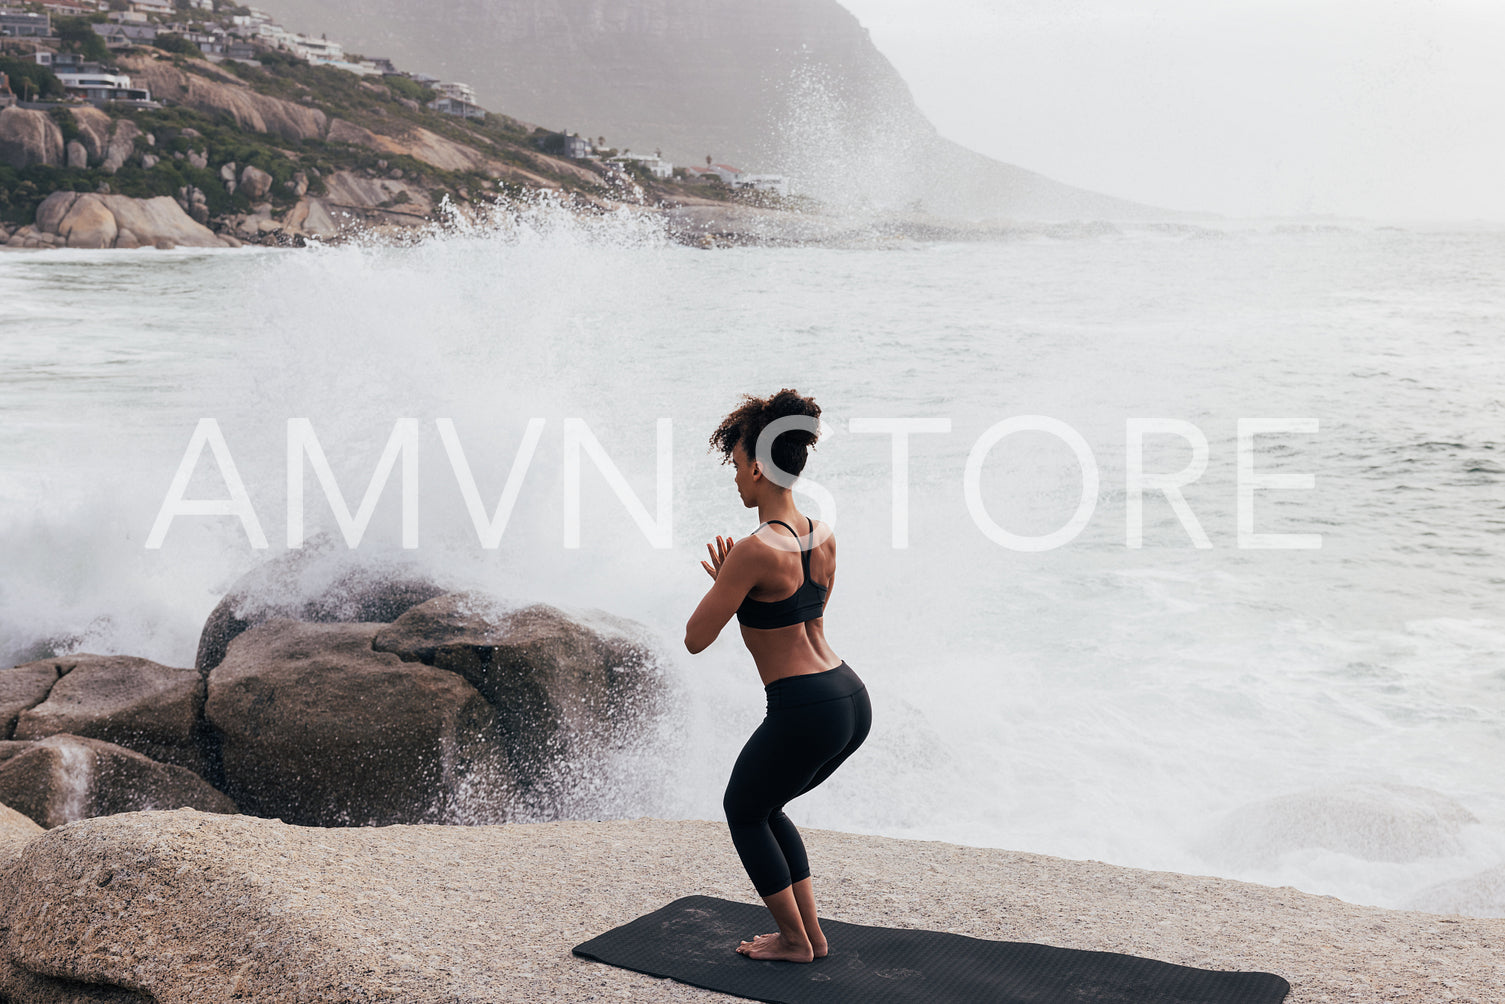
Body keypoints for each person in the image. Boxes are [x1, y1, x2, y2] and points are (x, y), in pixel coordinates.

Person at [684, 388, 872, 964]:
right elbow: (796, 611)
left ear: (759, 466)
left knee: (744, 812)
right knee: (768, 807)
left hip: (804, 706)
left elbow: (695, 638)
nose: (736, 478)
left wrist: (726, 583)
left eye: (738, 465)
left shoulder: (753, 549)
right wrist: (736, 585)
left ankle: (793, 941)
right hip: (849, 696)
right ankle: (809, 936)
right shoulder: (822, 533)